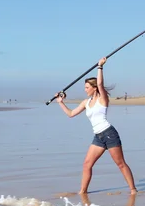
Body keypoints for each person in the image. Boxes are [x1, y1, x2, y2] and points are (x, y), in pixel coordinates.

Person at [56, 57, 138, 195]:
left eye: (87, 87)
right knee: (87, 164)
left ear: (94, 88)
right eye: (84, 87)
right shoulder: (86, 102)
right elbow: (71, 114)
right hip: (98, 137)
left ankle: (133, 190)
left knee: (120, 164)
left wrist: (100, 67)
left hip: (109, 134)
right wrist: (60, 102)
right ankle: (82, 191)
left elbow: (100, 83)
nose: (85, 90)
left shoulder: (102, 98)